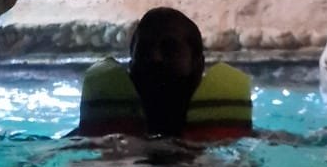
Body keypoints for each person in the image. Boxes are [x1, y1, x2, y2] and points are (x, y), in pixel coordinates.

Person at [73, 7, 254, 142]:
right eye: (145, 49)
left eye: (170, 48)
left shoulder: (245, 143)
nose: (155, 58)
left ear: (198, 64)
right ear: (131, 63)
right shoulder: (84, 141)